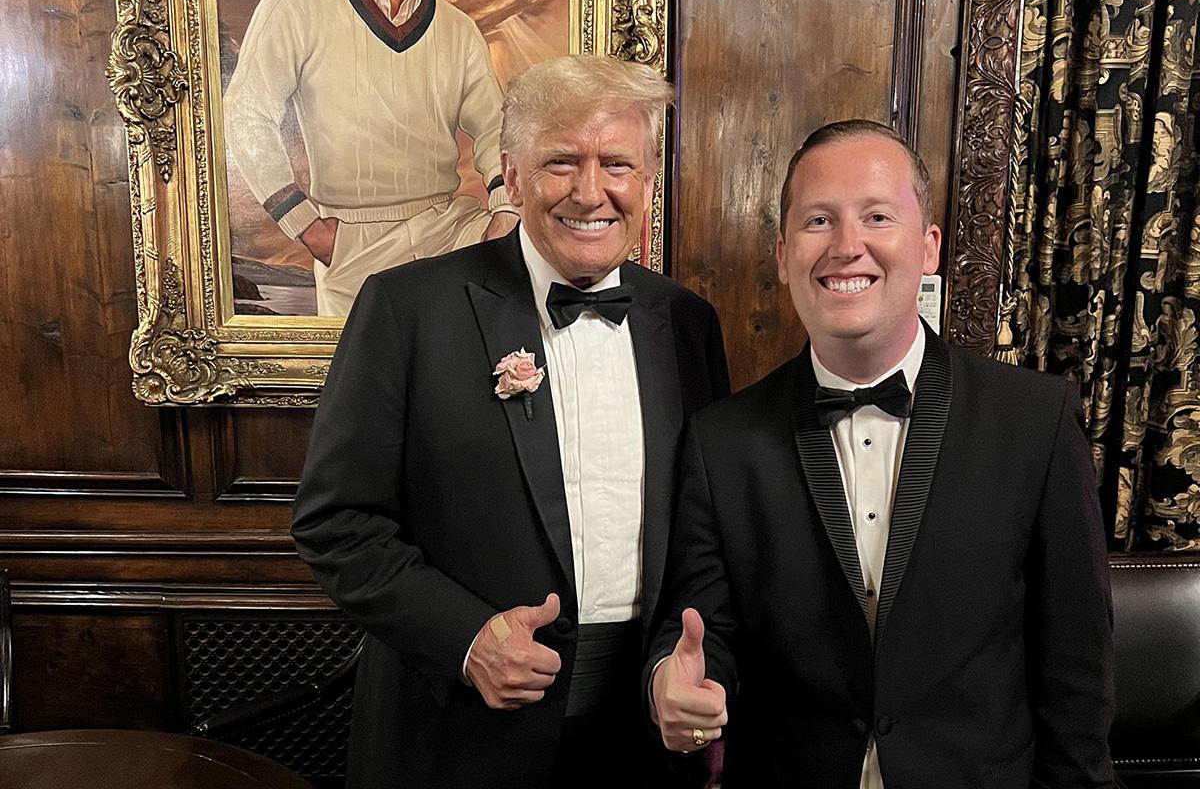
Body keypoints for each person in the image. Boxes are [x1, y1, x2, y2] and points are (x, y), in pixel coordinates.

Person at [292, 54, 730, 788]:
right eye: (562, 162)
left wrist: (680, 665)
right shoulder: (406, 310)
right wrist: (466, 639)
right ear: (512, 176)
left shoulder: (687, 323)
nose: (591, 192)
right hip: (458, 737)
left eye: (617, 164)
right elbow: (336, 522)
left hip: (642, 734)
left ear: (648, 180)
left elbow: (705, 529)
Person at [647, 119, 1115, 788]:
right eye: (818, 221)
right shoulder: (721, 440)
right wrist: (673, 681)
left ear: (928, 247)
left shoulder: (1035, 421)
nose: (847, 246)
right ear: (782, 255)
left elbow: (1076, 668)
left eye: (876, 217)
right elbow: (700, 631)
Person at [224, 0, 518, 316]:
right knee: (358, 350)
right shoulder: (296, 3)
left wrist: (506, 209)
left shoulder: (457, 27)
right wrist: (307, 226)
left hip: (449, 231)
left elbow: (497, 127)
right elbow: (245, 112)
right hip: (352, 244)